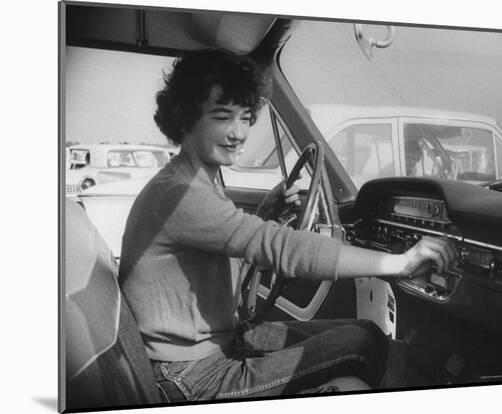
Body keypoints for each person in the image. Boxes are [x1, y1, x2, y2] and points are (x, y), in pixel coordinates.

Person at [118, 49, 458, 402]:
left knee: (363, 330)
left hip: (219, 340)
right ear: (185, 117)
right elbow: (282, 248)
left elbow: (228, 243)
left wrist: (266, 212)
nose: (238, 133)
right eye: (223, 117)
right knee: (360, 344)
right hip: (190, 374)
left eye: (246, 117)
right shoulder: (180, 193)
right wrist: (399, 262)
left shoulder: (199, 181)